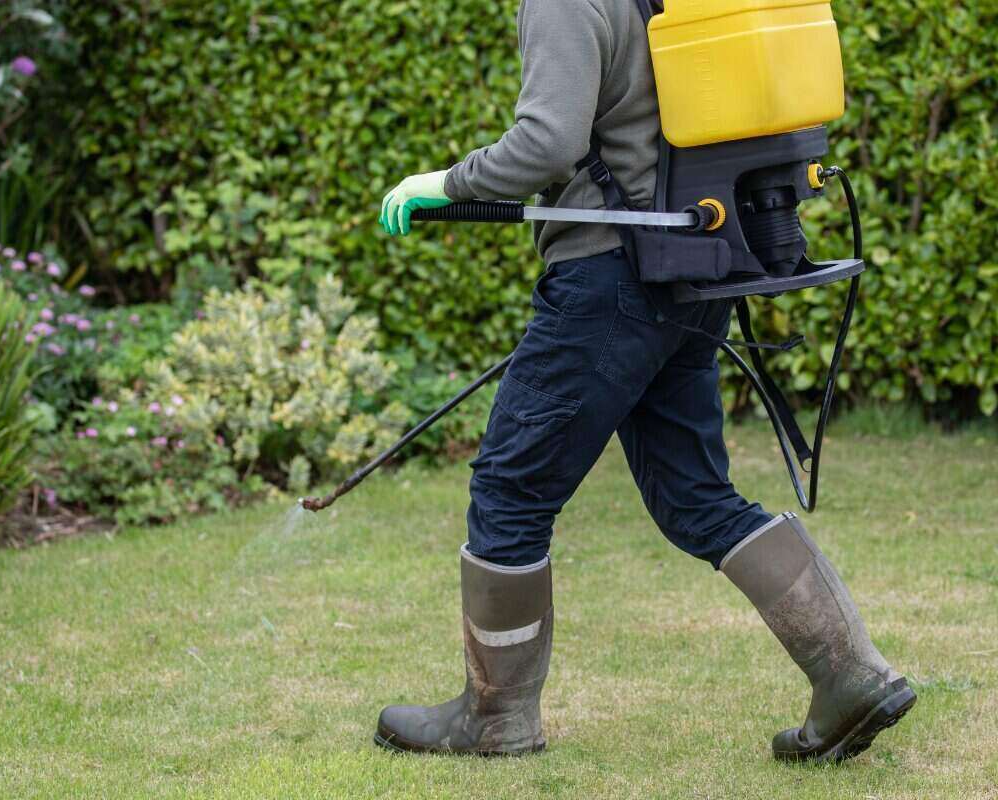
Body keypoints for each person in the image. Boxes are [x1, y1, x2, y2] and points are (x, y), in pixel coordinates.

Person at [373, 0, 915, 762]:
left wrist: (444, 181)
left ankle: (495, 718)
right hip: (693, 269)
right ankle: (852, 673)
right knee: (695, 496)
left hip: (609, 280)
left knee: (510, 487)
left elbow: (546, 142)